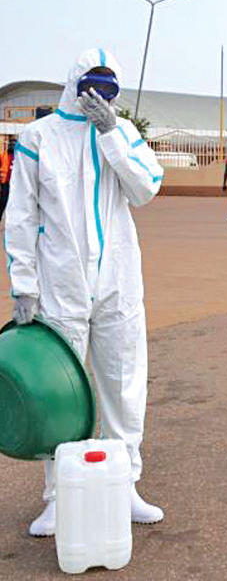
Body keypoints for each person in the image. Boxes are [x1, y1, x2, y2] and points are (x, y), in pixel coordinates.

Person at [4, 48, 165, 536]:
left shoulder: (121, 133)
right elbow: (20, 214)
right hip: (60, 287)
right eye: (91, 84)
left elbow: (146, 188)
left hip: (118, 281)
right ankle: (58, 496)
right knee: (62, 396)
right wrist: (23, 283)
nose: (98, 93)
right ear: (72, 84)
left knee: (123, 384)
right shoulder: (38, 137)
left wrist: (113, 132)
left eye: (107, 84)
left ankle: (124, 484)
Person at [0, 138, 14, 221]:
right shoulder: (2, 155)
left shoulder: (18, 157)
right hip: (5, 182)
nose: (11, 146)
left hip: (14, 184)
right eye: (10, 144)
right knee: (3, 202)